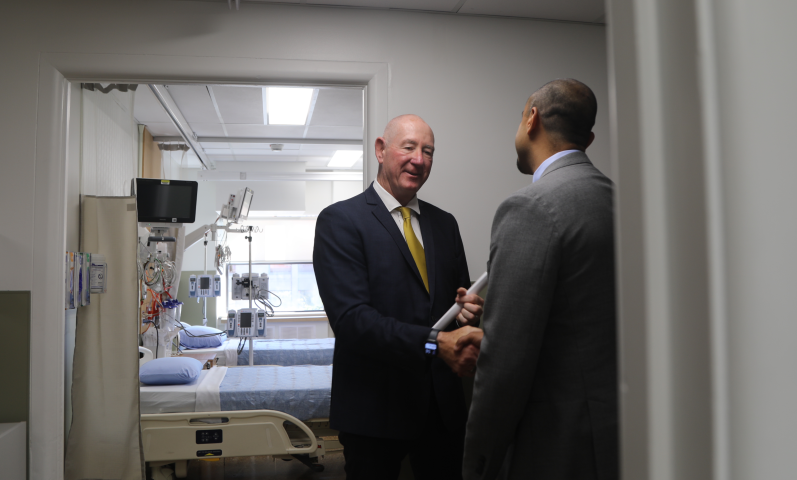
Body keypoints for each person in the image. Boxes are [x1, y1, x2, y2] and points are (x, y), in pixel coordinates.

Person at [459, 79, 619, 480]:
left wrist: (478, 463)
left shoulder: (530, 208)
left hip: (553, 449)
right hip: (612, 437)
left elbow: (505, 368)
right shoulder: (617, 200)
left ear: (532, 119)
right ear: (590, 137)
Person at [313, 114, 485, 480]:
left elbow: (459, 304)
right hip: (375, 410)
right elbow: (352, 322)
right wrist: (435, 342)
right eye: (408, 147)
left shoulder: (445, 223)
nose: (419, 159)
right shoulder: (340, 221)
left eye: (428, 151)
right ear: (381, 149)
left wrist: (467, 313)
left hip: (442, 410)